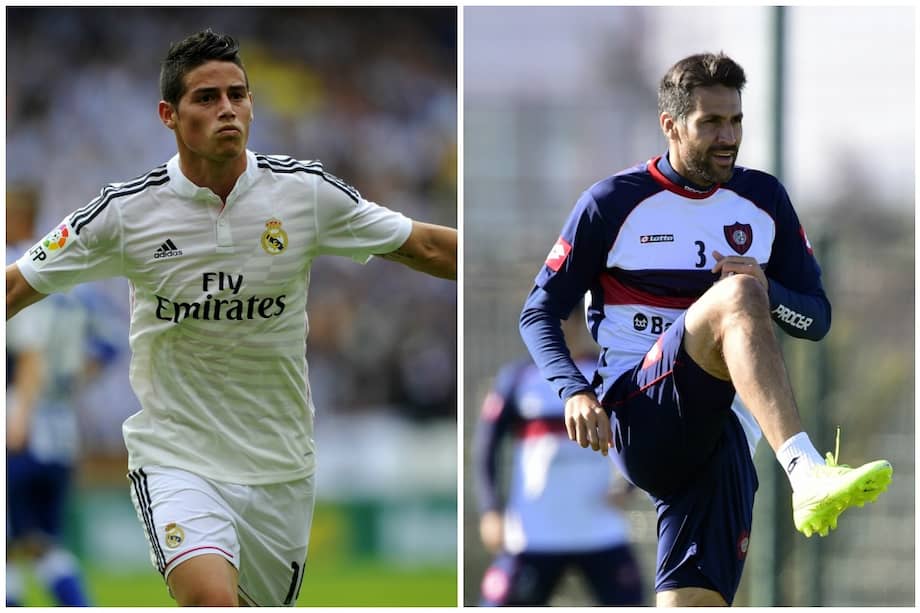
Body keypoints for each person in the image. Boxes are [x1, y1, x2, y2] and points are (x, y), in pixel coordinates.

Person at [6, 29, 457, 607]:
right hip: (177, 456)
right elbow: (16, 285)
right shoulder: (125, 212)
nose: (228, 109)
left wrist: (542, 275)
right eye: (207, 97)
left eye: (237, 95)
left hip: (279, 466)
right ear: (168, 115)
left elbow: (423, 246)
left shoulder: (304, 195)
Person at [518, 52, 892, 607]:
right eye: (711, 122)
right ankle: (806, 469)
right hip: (641, 411)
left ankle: (796, 469)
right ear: (670, 125)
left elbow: (816, 319)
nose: (729, 136)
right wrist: (573, 390)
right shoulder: (612, 203)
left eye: (736, 120)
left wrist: (772, 291)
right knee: (736, 295)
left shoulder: (764, 201)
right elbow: (539, 311)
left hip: (725, 437)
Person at [473, 316, 643, 606]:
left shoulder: (607, 375)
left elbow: (641, 434)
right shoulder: (518, 377)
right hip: (534, 531)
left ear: (580, 324)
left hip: (599, 527)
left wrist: (628, 486)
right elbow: (486, 446)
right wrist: (491, 509)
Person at [6, 186, 120, 607]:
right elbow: (108, 345)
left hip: (17, 418)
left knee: (9, 543)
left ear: (16, 218)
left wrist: (21, 408)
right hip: (59, 423)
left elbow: (30, 354)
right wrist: (69, 379)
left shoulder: (13, 272)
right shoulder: (72, 283)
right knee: (43, 542)